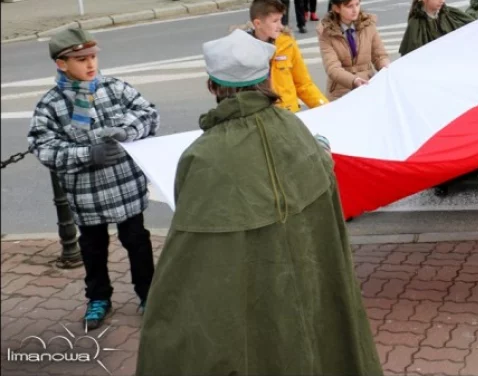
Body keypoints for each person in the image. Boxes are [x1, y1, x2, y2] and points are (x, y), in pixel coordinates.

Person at [136, 30, 382, 376]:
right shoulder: (296, 130)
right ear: (267, 78)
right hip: (309, 287)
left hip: (250, 304)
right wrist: (321, 153)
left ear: (212, 87)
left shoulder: (202, 157)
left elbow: (189, 264)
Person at [28, 27, 160, 330]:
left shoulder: (115, 88)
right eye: (80, 59)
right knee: (92, 247)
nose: (90, 65)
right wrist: (88, 155)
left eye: (92, 57)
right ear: (62, 64)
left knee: (137, 241)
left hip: (126, 188)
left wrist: (127, 130)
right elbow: (43, 147)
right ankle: (98, 298)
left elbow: (148, 112)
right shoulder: (51, 104)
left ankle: (148, 293)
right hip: (87, 195)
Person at [243, 0, 329, 112]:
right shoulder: (242, 49)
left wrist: (326, 108)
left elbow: (303, 84)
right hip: (259, 118)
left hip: (288, 115)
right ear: (258, 23)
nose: (281, 26)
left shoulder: (287, 43)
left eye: (281, 20)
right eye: (275, 21)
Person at [319, 0, 390, 100]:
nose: (355, 10)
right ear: (336, 8)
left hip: (368, 85)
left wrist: (386, 67)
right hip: (340, 91)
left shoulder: (368, 24)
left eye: (357, 4)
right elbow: (332, 68)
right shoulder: (326, 33)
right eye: (349, 6)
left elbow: (379, 55)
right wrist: (354, 80)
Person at [399, 0, 475, 56]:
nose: (442, 0)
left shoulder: (452, 14)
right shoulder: (416, 24)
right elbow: (411, 54)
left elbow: (474, 28)